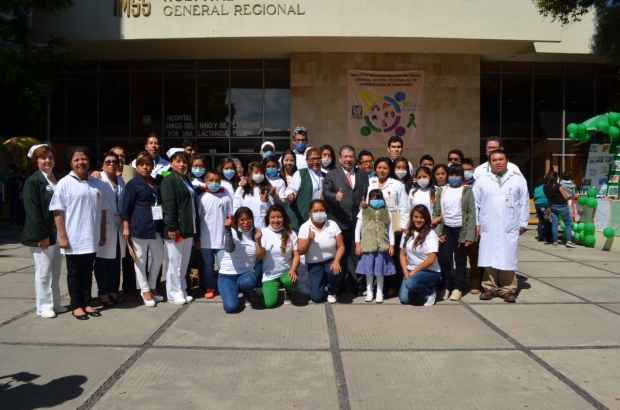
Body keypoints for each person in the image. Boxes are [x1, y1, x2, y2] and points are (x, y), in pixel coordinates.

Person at [50, 146, 107, 320]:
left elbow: (103, 210)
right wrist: (62, 236)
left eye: (84, 159)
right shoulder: (64, 183)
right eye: (76, 159)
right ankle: (76, 305)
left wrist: (102, 233)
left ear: (89, 161)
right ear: (70, 162)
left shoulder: (97, 183)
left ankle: (87, 303)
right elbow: (57, 212)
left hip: (91, 236)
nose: (80, 162)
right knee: (74, 273)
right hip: (73, 237)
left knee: (88, 272)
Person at [474, 150, 529, 303]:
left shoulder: (517, 180)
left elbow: (524, 202)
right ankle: (489, 287)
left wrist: (523, 223)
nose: (498, 162)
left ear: (507, 160)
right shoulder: (482, 180)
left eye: (501, 159)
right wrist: (476, 223)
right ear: (489, 162)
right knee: (488, 255)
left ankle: (507, 289)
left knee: (508, 256)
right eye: (494, 160)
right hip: (488, 224)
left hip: (509, 224)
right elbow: (475, 204)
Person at [21, 144, 66, 318]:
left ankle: (55, 302)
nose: (48, 161)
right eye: (43, 158)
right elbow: (33, 212)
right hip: (43, 235)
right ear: (36, 161)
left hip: (56, 233)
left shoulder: (55, 179)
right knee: (44, 271)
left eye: (50, 157)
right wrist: (42, 235)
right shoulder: (33, 181)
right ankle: (43, 306)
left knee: (55, 270)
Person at [323, 145, 369, 296]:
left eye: (351, 156)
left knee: (356, 255)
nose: (348, 159)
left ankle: (357, 286)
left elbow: (367, 193)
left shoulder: (362, 175)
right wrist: (334, 197)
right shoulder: (331, 174)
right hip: (338, 220)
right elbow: (326, 192)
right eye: (345, 157)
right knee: (340, 255)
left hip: (357, 222)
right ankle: (340, 286)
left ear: (354, 158)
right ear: (340, 158)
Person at [121, 151, 164, 307]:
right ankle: (144, 290)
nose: (145, 167)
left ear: (152, 166)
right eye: (141, 164)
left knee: (159, 257)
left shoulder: (157, 182)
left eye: (148, 164)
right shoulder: (133, 184)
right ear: (136, 167)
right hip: (139, 226)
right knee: (140, 259)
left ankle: (152, 286)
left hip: (156, 226)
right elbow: (126, 207)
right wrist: (126, 227)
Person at [161, 150, 201, 305]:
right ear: (171, 163)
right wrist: (172, 227)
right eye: (178, 161)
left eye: (184, 161)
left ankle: (182, 290)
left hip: (188, 228)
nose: (182, 164)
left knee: (183, 263)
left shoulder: (185, 180)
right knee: (174, 262)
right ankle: (173, 293)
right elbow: (169, 206)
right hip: (175, 229)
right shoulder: (169, 180)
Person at [432, 164, 476, 301]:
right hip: (446, 229)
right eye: (452, 175)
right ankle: (446, 287)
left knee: (460, 259)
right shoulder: (442, 190)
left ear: (462, 176)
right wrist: (438, 233)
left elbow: (471, 214)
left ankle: (458, 288)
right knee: (445, 259)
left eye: (457, 175)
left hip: (460, 230)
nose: (454, 177)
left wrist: (469, 236)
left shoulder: (467, 190)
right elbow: (436, 212)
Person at [367, 157, 409, 296]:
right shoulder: (370, 182)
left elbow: (404, 207)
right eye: (379, 167)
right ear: (375, 169)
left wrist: (404, 225)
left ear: (390, 170)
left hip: (394, 222)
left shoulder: (397, 184)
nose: (382, 170)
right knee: (379, 255)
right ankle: (379, 284)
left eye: (385, 168)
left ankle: (393, 285)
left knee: (393, 255)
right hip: (375, 223)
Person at [94, 152, 126, 307]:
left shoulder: (122, 181)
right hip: (104, 225)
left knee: (115, 261)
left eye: (115, 161)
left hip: (118, 226)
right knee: (102, 261)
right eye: (108, 162)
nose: (112, 164)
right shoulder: (97, 179)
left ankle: (113, 290)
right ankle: (103, 292)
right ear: (102, 165)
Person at [297, 200, 345, 303]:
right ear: (310, 212)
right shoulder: (304, 227)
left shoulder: (332, 224)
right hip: (314, 264)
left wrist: (336, 261)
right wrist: (308, 240)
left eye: (321, 210)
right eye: (315, 211)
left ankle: (332, 291)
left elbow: (341, 246)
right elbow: (300, 251)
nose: (319, 213)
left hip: (331, 260)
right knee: (317, 298)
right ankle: (319, 284)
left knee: (335, 272)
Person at [197, 169, 232, 299]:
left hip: (221, 238)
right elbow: (197, 218)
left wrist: (230, 222)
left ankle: (224, 286)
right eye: (211, 180)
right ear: (205, 181)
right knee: (207, 266)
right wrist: (197, 238)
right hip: (205, 239)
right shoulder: (201, 197)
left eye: (217, 181)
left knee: (223, 265)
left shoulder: (225, 196)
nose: (214, 183)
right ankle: (210, 287)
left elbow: (230, 214)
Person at [355, 189, 395, 303]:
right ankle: (369, 291)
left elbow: (390, 230)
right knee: (369, 270)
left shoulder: (387, 212)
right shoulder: (363, 211)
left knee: (379, 270)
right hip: (368, 246)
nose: (376, 200)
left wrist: (392, 245)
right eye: (373, 198)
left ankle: (379, 292)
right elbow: (357, 229)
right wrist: (358, 244)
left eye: (378, 198)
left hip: (382, 247)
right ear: (369, 199)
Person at [255, 204, 299, 308]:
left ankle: (288, 291)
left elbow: (296, 255)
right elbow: (260, 256)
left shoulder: (291, 233)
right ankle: (274, 286)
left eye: (279, 217)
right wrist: (258, 241)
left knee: (290, 281)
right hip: (270, 274)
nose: (276, 220)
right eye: (272, 217)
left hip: (286, 271)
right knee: (269, 304)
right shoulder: (263, 232)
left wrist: (293, 270)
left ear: (284, 218)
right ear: (268, 219)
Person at [399, 205, 441, 306]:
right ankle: (420, 290)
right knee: (404, 299)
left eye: (421, 217)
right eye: (416, 217)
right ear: (412, 217)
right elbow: (402, 255)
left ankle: (430, 292)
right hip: (411, 271)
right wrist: (405, 272)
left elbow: (431, 259)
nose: (418, 220)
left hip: (430, 271)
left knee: (410, 283)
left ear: (426, 219)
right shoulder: (407, 233)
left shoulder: (431, 234)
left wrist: (414, 271)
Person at [220, 207, 258, 313]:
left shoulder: (257, 232)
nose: (246, 222)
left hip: (246, 274)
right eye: (242, 220)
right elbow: (229, 248)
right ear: (237, 221)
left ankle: (247, 293)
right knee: (231, 308)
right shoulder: (231, 231)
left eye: (249, 219)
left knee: (249, 282)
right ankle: (231, 291)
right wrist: (227, 230)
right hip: (227, 275)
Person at [285, 148, 325, 231]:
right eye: (312, 159)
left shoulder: (325, 176)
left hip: (318, 214)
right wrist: (290, 195)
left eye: (318, 158)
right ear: (306, 161)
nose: (315, 162)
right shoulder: (301, 173)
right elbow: (291, 189)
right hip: (302, 214)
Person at [233, 162, 274, 229]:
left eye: (262, 172)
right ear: (250, 173)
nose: (259, 174)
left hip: (262, 227)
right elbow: (236, 208)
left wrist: (267, 201)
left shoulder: (267, 189)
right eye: (256, 172)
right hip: (245, 227)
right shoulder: (241, 189)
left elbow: (272, 211)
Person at [543, 171, 575, 248]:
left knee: (554, 224)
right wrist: (569, 196)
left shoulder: (545, 187)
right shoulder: (558, 186)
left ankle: (555, 241)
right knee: (568, 223)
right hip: (562, 206)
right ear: (556, 178)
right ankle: (569, 241)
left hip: (553, 206)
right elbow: (565, 197)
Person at [533, 177, 552, 244]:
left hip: (537, 204)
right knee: (546, 221)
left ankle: (540, 235)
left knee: (540, 220)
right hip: (544, 204)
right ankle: (547, 237)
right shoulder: (545, 186)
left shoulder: (536, 188)